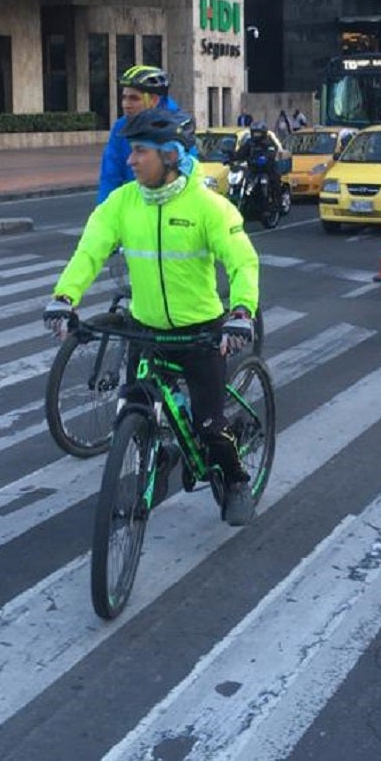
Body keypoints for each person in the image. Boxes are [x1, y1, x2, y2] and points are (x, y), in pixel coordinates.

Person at [42, 108, 262, 526]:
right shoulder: (122, 204)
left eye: (140, 151)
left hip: (200, 334)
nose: (130, 161)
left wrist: (241, 311)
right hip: (144, 331)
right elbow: (89, 252)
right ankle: (155, 464)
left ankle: (235, 480)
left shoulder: (208, 206)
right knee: (134, 410)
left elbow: (242, 263)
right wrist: (65, 297)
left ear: (171, 155)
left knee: (211, 427)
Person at [97, 65, 178, 203]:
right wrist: (103, 213)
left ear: (154, 100)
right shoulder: (120, 127)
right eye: (124, 98)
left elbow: (187, 175)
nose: (125, 104)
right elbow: (110, 176)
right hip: (131, 207)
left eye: (134, 98)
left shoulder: (177, 128)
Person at [233, 121, 283, 203]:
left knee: (274, 180)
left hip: (267, 169)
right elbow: (241, 152)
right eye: (255, 133)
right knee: (243, 181)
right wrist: (232, 156)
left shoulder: (269, 142)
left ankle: (276, 202)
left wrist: (266, 158)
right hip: (253, 169)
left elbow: (272, 152)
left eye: (258, 133)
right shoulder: (249, 142)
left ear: (263, 133)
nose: (256, 135)